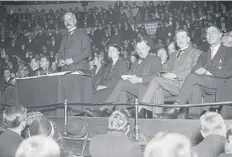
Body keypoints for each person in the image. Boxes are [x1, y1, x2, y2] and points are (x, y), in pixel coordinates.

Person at [161, 26, 232, 119]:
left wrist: (207, 72)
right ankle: (193, 118)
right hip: (206, 83)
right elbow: (195, 69)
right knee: (195, 86)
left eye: (213, 32)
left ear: (220, 35)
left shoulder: (228, 51)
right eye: (208, 33)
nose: (210, 35)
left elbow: (228, 71)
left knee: (192, 78)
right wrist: (199, 70)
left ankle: (176, 106)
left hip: (222, 83)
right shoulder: (204, 54)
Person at [141, 30, 202, 117]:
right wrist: (159, 62)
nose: (180, 40)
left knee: (155, 80)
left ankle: (142, 107)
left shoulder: (196, 52)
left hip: (185, 85)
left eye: (182, 37)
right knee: (156, 90)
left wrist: (175, 75)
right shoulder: (173, 54)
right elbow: (165, 68)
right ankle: (157, 118)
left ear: (188, 39)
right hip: (171, 85)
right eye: (177, 38)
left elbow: (194, 69)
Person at [104, 39, 161, 114]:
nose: (140, 51)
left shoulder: (154, 59)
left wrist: (139, 79)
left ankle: (106, 108)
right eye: (138, 49)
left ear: (148, 48)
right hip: (134, 88)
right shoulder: (135, 62)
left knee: (121, 83)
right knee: (122, 92)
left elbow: (155, 76)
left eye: (142, 48)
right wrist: (128, 77)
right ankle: (120, 116)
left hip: (146, 88)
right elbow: (128, 74)